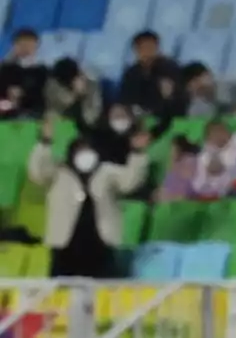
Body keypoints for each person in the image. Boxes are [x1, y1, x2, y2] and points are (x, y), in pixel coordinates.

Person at [28, 118, 150, 279]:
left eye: (88, 151)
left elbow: (130, 181)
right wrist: (44, 142)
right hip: (65, 245)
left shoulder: (107, 172)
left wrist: (137, 153)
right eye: (80, 150)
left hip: (101, 244)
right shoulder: (59, 172)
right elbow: (37, 172)